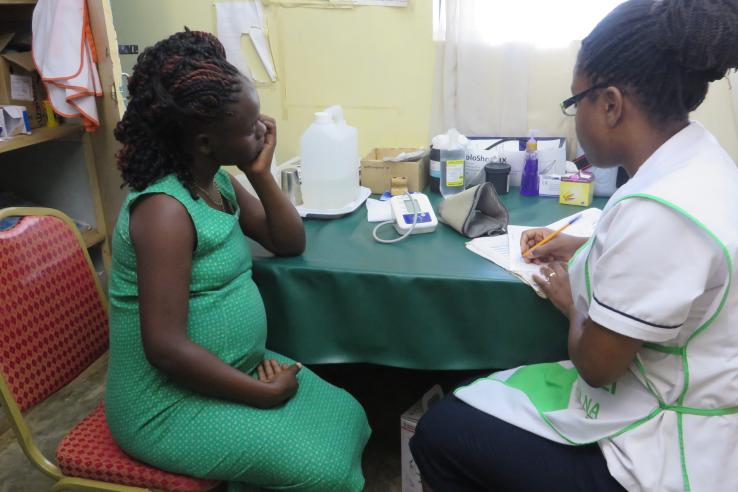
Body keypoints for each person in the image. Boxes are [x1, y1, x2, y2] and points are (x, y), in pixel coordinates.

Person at [410, 0, 738, 490]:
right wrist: (583, 243)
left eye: (574, 101)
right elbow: (669, 259)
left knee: (439, 433)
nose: (574, 117)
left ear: (609, 104)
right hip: (698, 393)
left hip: (668, 450)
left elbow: (596, 367)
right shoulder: (700, 159)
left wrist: (570, 302)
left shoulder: (658, 214)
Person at [104, 30, 370, 491]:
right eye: (250, 129)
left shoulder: (216, 183)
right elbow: (164, 348)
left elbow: (288, 242)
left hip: (235, 371)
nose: (263, 130)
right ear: (205, 142)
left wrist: (258, 170)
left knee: (350, 416)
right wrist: (261, 395)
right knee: (323, 471)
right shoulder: (165, 211)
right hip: (166, 403)